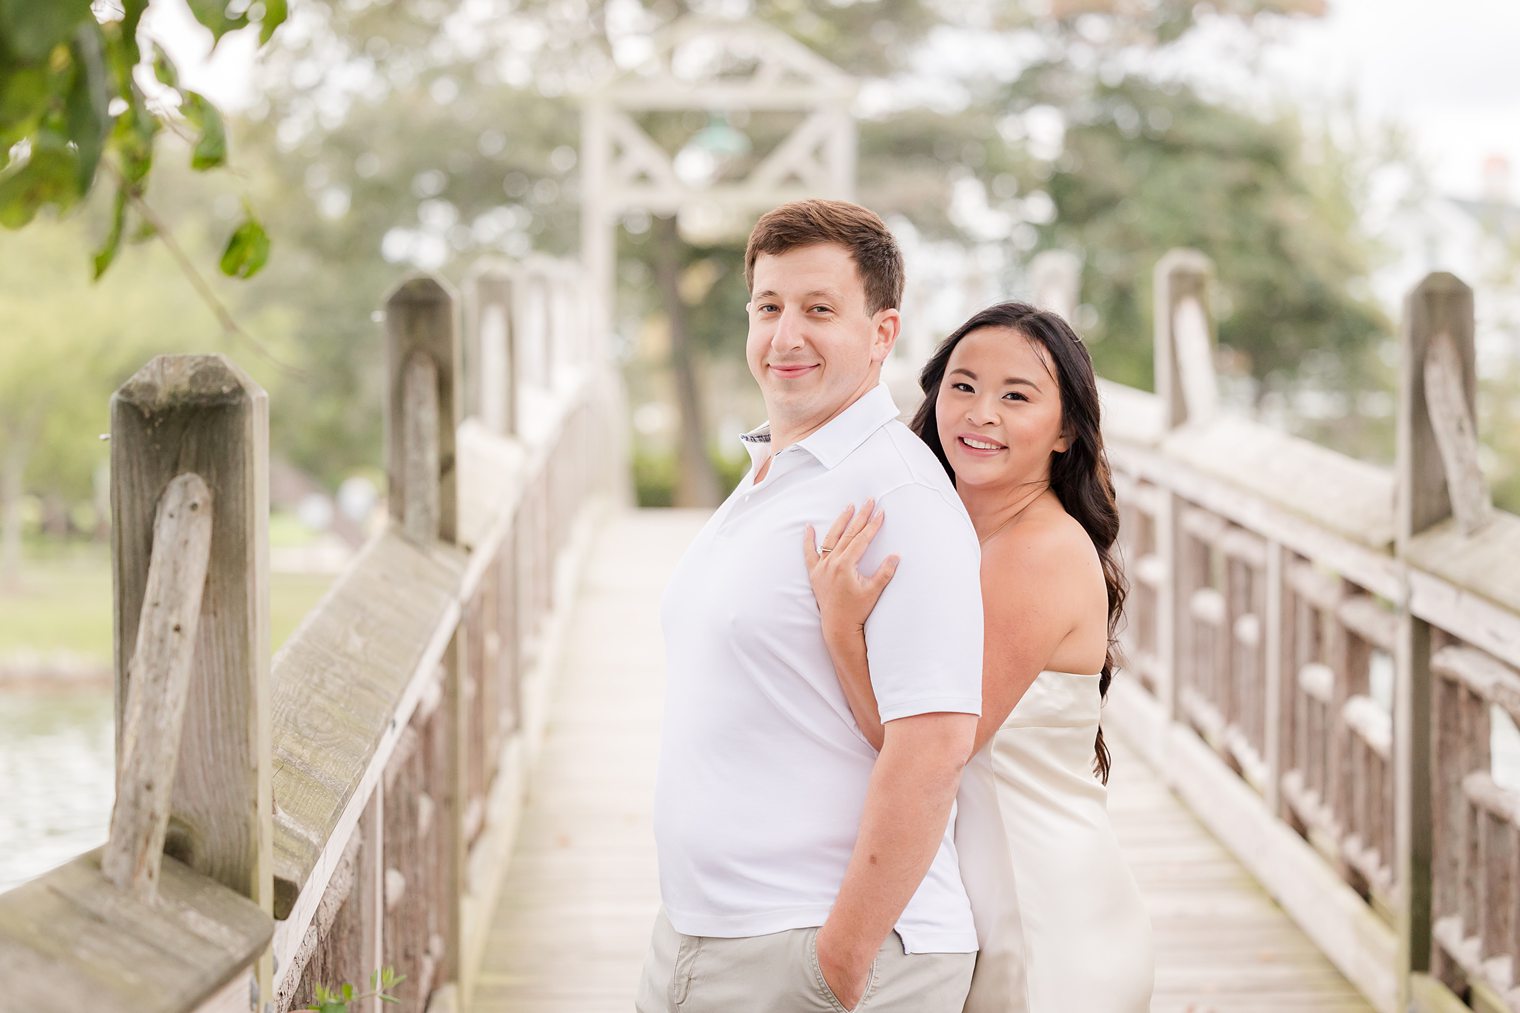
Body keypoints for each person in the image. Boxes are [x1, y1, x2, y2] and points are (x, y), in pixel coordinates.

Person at [637, 199, 988, 1012]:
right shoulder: (777, 468)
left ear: (882, 333)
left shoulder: (896, 493)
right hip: (708, 934)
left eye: (819, 310)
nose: (785, 335)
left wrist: (839, 963)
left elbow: (933, 747)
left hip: (819, 952)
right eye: (769, 307)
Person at [804, 302, 1156, 1012]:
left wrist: (841, 627)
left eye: (1016, 395)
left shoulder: (1038, 552)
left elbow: (926, 748)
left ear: (1065, 431)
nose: (980, 412)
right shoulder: (952, 530)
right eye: (961, 386)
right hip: (985, 901)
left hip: (1040, 917)